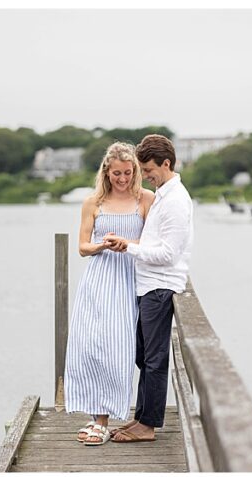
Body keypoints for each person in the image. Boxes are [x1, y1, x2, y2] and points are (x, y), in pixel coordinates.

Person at [105, 134, 194, 443]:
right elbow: (155, 244)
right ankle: (142, 417)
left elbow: (168, 253)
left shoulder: (177, 201)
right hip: (147, 286)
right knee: (143, 356)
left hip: (160, 287)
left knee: (154, 359)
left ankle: (148, 425)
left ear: (166, 163)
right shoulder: (163, 196)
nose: (145, 175)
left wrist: (129, 247)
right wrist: (128, 244)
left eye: (149, 169)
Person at [65, 142, 155, 445]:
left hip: (128, 280)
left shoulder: (146, 199)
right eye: (117, 173)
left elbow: (152, 243)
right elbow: (82, 247)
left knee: (116, 348)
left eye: (128, 173)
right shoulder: (93, 202)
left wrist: (126, 243)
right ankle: (95, 416)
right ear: (107, 171)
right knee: (89, 345)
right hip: (98, 279)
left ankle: (105, 418)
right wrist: (104, 244)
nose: (123, 179)